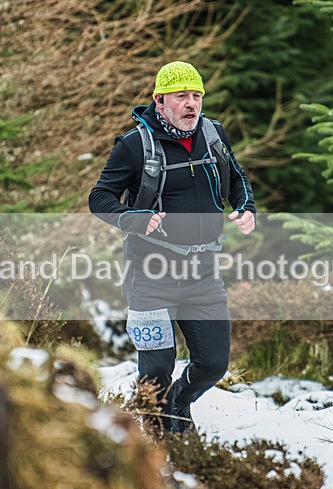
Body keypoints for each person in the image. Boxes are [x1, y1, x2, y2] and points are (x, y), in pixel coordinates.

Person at [89, 61, 256, 435]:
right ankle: (159, 439)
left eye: (196, 95)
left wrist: (246, 207)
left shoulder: (214, 134)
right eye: (181, 96)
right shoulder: (134, 146)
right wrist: (131, 217)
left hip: (203, 275)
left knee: (214, 363)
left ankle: (179, 404)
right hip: (150, 277)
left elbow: (237, 179)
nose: (191, 104)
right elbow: (99, 198)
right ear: (159, 100)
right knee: (156, 369)